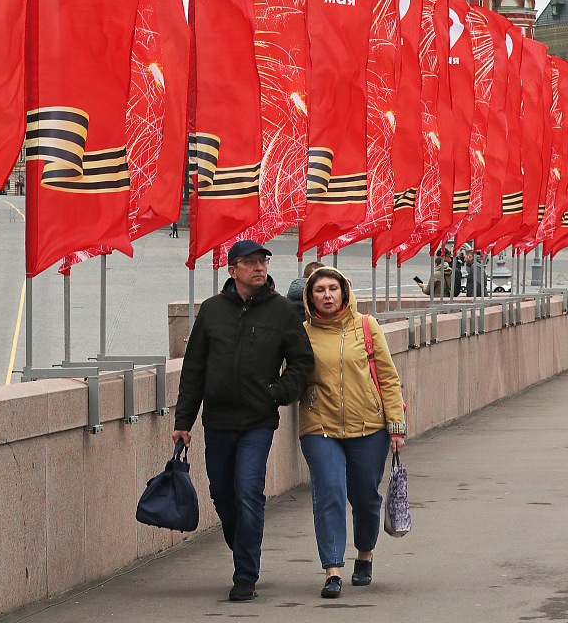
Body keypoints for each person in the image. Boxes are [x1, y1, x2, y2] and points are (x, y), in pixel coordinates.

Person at [172, 239, 314, 603]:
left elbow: (302, 362)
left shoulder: (282, 311)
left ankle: (245, 575)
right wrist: (184, 420)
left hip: (257, 421)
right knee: (222, 494)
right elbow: (194, 369)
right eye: (250, 262)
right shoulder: (212, 310)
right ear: (232, 269)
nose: (259, 267)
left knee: (249, 492)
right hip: (217, 420)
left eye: (262, 261)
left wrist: (276, 393)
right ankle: (243, 546)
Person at [299, 267, 406, 599]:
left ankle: (364, 554)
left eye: (333, 288)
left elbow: (387, 378)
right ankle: (332, 570)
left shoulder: (366, 326)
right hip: (320, 427)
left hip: (369, 427)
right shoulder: (301, 333)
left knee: (365, 497)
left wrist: (396, 426)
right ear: (309, 296)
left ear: (344, 293)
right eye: (320, 290)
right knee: (328, 492)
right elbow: (288, 374)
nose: (327, 295)